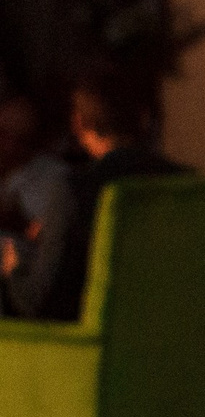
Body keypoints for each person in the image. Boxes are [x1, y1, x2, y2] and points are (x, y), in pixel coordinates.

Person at [22, 66, 187, 323]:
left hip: (94, 352)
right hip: (182, 344)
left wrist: (15, 266)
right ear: (144, 116)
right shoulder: (191, 185)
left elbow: (41, 302)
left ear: (78, 123)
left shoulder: (76, 190)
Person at [0, 88, 74, 319]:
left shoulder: (53, 178)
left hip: (24, 287)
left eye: (19, 139)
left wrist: (22, 224)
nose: (8, 146)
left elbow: (51, 238)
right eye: (3, 135)